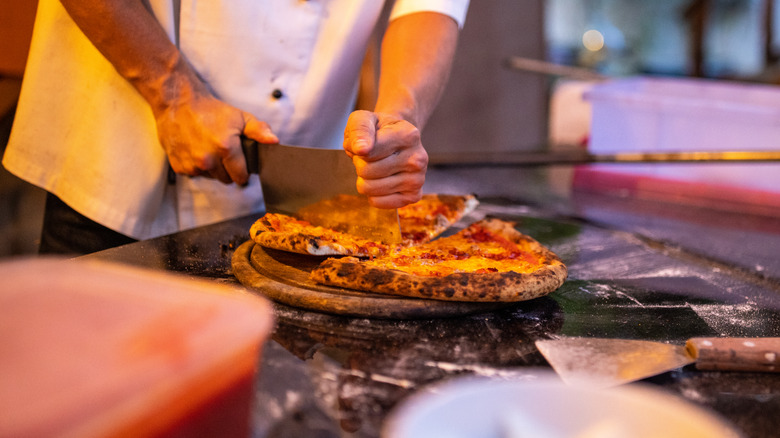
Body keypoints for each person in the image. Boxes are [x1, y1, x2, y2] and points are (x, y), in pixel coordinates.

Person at [3, 0, 469, 255]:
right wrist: (173, 92)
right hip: (115, 154)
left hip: (310, 203)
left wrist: (398, 118)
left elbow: (430, 8)